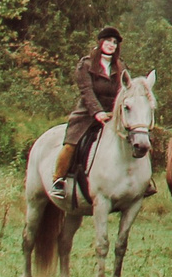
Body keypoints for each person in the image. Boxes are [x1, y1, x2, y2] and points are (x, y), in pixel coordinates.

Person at [50, 27, 125, 208]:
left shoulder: (121, 67)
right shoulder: (86, 64)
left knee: (134, 138)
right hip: (87, 114)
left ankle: (139, 183)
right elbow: (86, 91)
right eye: (108, 41)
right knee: (71, 144)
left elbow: (123, 91)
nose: (111, 45)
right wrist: (97, 112)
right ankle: (58, 180)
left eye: (114, 43)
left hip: (112, 114)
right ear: (100, 43)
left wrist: (115, 113)